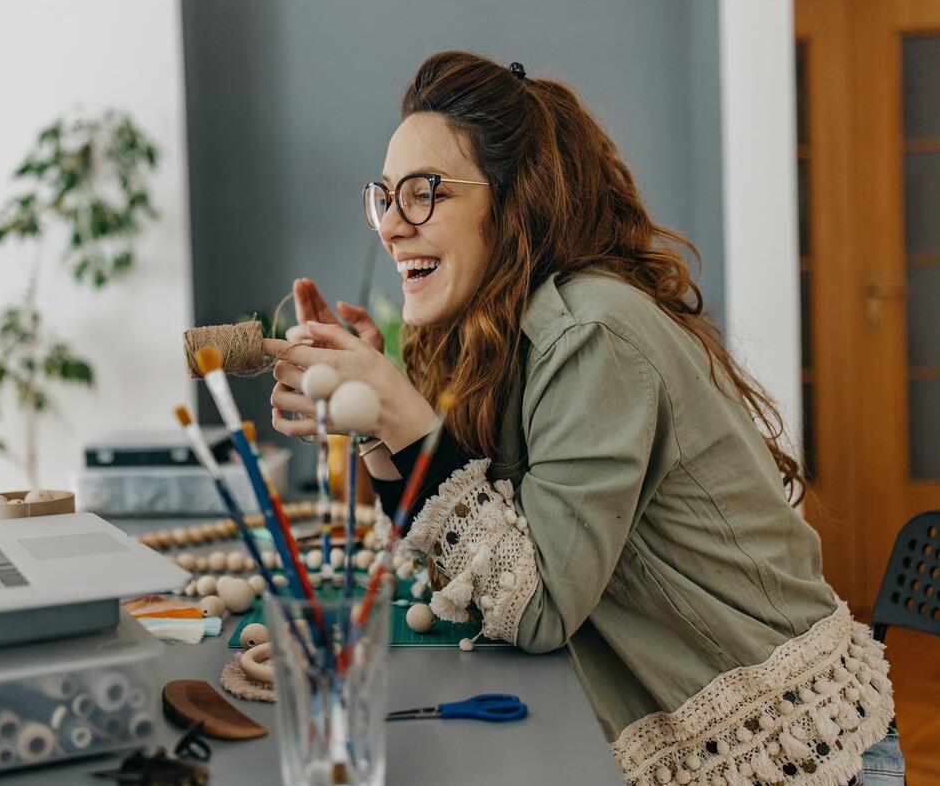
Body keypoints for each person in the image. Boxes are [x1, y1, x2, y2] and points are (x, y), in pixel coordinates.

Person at [264, 52, 903, 785]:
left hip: (796, 757)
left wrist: (399, 413)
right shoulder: (502, 334)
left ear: (515, 199)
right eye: (385, 197)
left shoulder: (590, 333)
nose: (392, 226)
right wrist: (379, 425)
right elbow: (471, 568)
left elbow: (532, 609)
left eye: (425, 194)